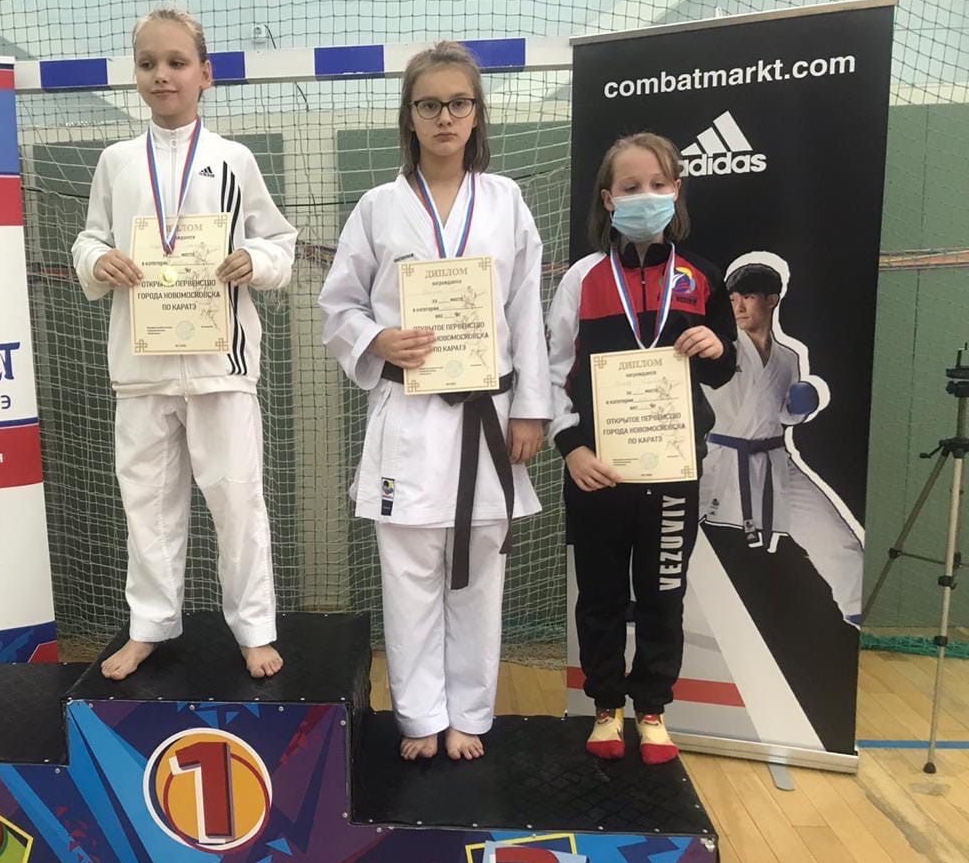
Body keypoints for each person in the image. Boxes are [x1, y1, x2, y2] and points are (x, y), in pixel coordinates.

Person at [320, 42, 552, 762]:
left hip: (488, 414)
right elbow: (338, 305)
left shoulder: (505, 200)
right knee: (409, 571)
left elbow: (526, 311)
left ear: (477, 114)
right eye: (430, 104)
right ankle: (421, 714)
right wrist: (377, 337)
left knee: (480, 571)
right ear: (410, 116)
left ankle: (470, 714)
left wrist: (532, 408)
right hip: (410, 415)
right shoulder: (377, 207)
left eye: (459, 103)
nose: (445, 117)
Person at [72, 7, 296, 680]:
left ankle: (254, 629)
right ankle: (149, 625)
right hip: (140, 367)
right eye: (148, 64)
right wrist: (99, 260)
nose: (161, 75)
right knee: (147, 504)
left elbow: (279, 241)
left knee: (237, 500)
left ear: (206, 74)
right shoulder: (116, 162)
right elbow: (88, 238)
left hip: (219, 366)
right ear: (135, 75)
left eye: (176, 62)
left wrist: (255, 260)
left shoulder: (234, 159)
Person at [547, 132, 736, 763]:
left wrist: (716, 346)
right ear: (608, 199)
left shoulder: (701, 276)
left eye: (657, 185)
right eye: (630, 187)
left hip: (673, 470)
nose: (644, 196)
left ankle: (652, 709)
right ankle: (606, 707)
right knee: (600, 595)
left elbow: (723, 368)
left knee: (662, 595)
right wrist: (570, 448)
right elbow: (554, 374)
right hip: (597, 470)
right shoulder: (582, 278)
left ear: (676, 191)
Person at [700, 252, 864, 623]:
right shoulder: (720, 348)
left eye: (748, 297)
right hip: (717, 457)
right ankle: (635, 598)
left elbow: (783, 415)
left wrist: (802, 405)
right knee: (667, 529)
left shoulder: (789, 357)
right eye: (733, 299)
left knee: (836, 537)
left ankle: (856, 608)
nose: (739, 306)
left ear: (771, 299)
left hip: (774, 458)